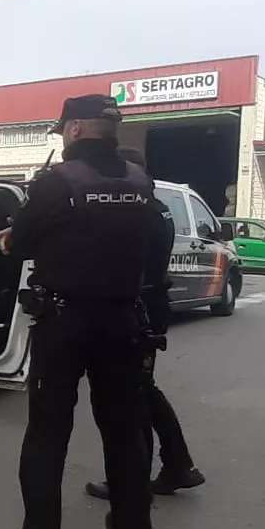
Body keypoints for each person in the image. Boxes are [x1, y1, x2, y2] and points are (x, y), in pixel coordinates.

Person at [0, 94, 170, 529]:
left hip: (64, 325)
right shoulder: (141, 183)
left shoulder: (57, 183)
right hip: (122, 322)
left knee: (48, 439)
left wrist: (11, 237)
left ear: (73, 129)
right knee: (123, 430)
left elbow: (24, 242)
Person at [84, 147, 202, 500]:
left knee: (131, 397)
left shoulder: (139, 211)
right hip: (151, 306)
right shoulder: (157, 208)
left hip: (137, 310)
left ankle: (133, 480)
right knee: (142, 391)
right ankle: (178, 465)